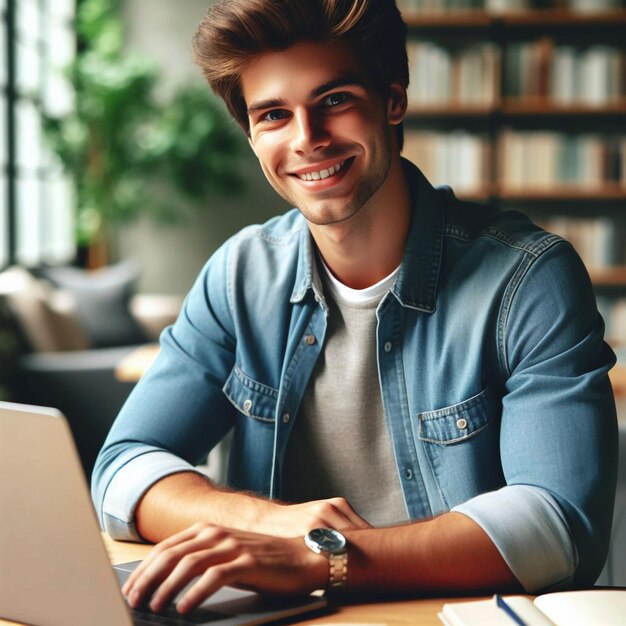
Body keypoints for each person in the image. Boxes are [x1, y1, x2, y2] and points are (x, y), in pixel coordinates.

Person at [91, 0, 618, 616]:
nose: (307, 139)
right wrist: (271, 523)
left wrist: (327, 558)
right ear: (253, 135)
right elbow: (123, 467)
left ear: (393, 101)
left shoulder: (528, 278)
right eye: (274, 115)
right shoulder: (240, 275)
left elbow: (558, 523)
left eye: (334, 101)